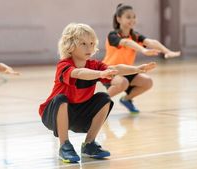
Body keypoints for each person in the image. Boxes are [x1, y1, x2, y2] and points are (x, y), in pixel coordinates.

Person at [38, 23, 156, 163]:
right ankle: (64, 146)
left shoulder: (94, 65)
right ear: (70, 45)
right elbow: (80, 73)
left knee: (104, 98)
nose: (89, 48)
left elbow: (116, 68)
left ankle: (89, 144)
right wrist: (100, 73)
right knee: (60, 99)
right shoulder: (64, 65)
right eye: (83, 43)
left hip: (77, 116)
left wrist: (137, 69)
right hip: (52, 115)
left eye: (92, 43)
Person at [102, 3, 181, 114]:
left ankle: (126, 99)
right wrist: (143, 50)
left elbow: (151, 42)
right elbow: (126, 42)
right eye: (128, 17)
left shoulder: (135, 35)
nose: (132, 19)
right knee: (123, 83)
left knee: (147, 82)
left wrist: (167, 51)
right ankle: (98, 104)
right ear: (118, 18)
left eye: (134, 17)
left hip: (127, 71)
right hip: (110, 71)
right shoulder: (113, 35)